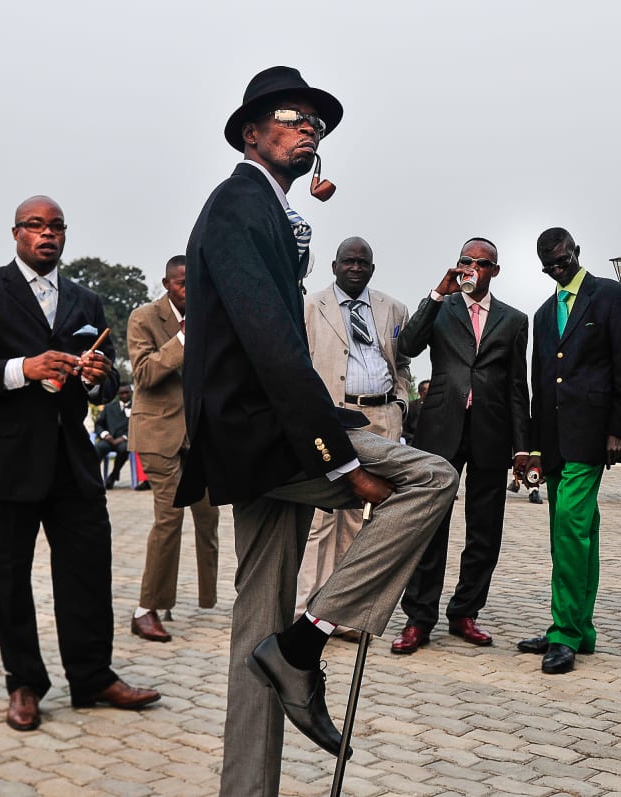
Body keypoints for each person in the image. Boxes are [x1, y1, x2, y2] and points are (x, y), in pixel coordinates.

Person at [173, 66, 458, 797]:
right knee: (430, 478)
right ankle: (309, 639)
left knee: (254, 635)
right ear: (251, 133)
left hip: (263, 434)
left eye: (317, 126)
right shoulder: (239, 205)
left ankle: (250, 776)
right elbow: (274, 346)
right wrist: (336, 462)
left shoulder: (267, 211)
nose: (308, 130)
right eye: (292, 118)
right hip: (258, 433)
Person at [0, 195, 160, 734]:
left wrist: (96, 377)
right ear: (16, 233)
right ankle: (24, 684)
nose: (47, 234)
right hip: (5, 462)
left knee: (87, 571)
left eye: (56, 226)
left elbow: (106, 382)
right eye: (35, 225)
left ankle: (92, 678)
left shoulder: (85, 299)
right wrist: (23, 368)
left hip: (71, 461)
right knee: (9, 579)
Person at [391, 237, 530, 654]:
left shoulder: (514, 319)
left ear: (494, 271)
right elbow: (408, 346)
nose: (471, 268)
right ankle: (419, 619)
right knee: (430, 523)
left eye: (480, 263)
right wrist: (437, 293)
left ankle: (465, 612)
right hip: (440, 429)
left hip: (491, 431)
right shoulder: (442, 307)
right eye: (465, 261)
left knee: (485, 528)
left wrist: (523, 446)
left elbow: (517, 387)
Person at [515, 227, 621, 674]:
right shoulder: (544, 313)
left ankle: (564, 633)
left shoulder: (609, 296)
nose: (557, 268)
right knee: (570, 533)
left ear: (577, 252)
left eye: (563, 259)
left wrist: (618, 430)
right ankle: (579, 629)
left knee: (570, 524)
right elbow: (540, 382)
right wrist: (530, 446)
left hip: (591, 436)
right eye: (549, 264)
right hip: (552, 440)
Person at [294, 236, 412, 634]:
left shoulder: (394, 308)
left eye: (363, 262)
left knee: (361, 521)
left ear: (372, 269)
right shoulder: (311, 307)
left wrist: (400, 405)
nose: (356, 267)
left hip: (380, 416)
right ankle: (302, 611)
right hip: (333, 419)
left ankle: (339, 615)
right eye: (349, 261)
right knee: (321, 519)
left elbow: (403, 363)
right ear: (335, 265)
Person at [126, 255, 220, 643]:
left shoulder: (212, 317)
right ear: (167, 284)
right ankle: (146, 608)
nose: (190, 289)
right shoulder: (143, 319)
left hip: (199, 436)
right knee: (170, 519)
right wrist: (183, 337)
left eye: (194, 282)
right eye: (182, 283)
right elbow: (145, 373)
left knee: (208, 517)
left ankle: (206, 597)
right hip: (158, 434)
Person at [93, 384, 134, 489]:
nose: (124, 395)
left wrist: (124, 437)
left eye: (127, 392)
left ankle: (113, 476)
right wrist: (105, 435)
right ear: (117, 394)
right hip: (108, 439)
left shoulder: (136, 408)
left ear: (131, 393)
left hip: (124, 440)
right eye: (121, 393)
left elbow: (139, 426)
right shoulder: (109, 407)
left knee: (124, 449)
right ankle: (93, 477)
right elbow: (98, 424)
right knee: (98, 448)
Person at [402, 379, 429, 446]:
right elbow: (403, 429)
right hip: (415, 443)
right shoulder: (411, 406)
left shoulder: (439, 406)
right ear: (422, 392)